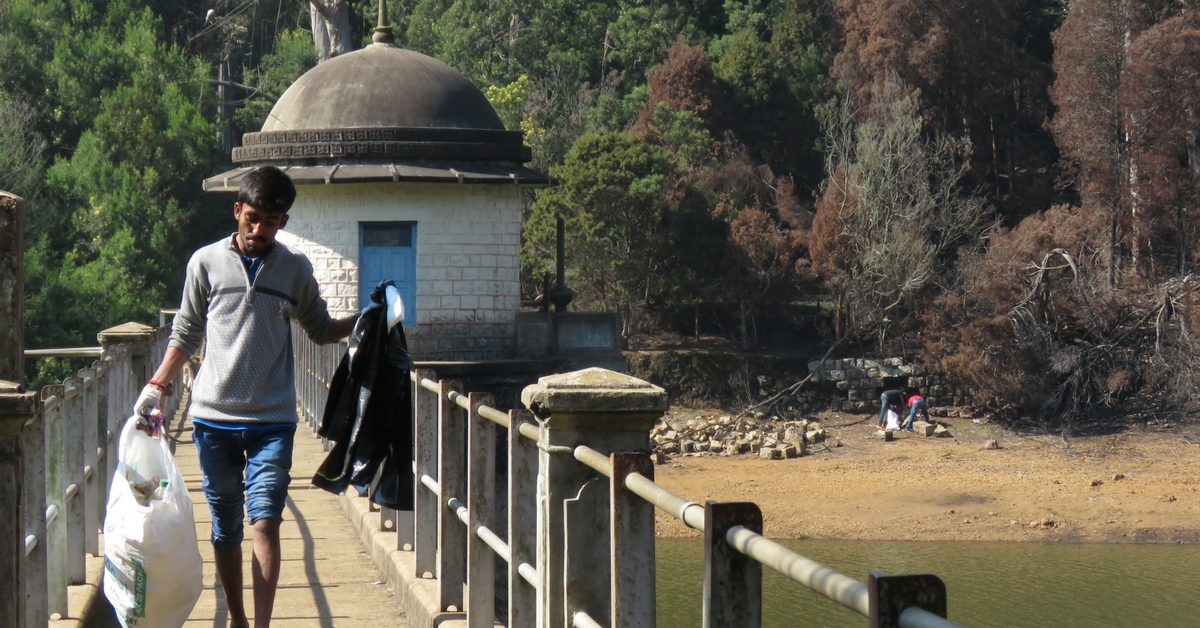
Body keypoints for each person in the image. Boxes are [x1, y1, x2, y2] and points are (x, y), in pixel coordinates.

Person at [132, 166, 359, 628]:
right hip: (213, 418)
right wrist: (158, 383)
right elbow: (186, 330)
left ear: (284, 223)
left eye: (270, 222)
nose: (258, 230)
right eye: (251, 218)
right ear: (237, 211)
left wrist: (365, 320)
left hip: (274, 418)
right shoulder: (204, 263)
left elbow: (320, 330)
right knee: (225, 527)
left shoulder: (296, 270)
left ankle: (260, 624)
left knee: (266, 522)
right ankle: (236, 618)